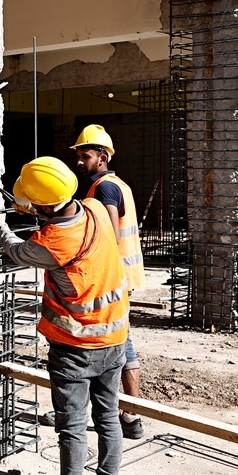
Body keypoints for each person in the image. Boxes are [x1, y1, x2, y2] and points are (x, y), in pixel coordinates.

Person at [0, 157, 129, 475]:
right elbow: (61, 216)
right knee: (109, 418)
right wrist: (33, 207)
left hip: (75, 345)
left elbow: (16, 250)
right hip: (115, 337)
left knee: (73, 426)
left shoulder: (49, 243)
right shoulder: (96, 207)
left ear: (44, 206)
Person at [71, 124, 146, 440]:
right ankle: (129, 415)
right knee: (119, 341)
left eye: (85, 156)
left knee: (118, 343)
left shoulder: (104, 189)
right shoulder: (116, 184)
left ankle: (130, 416)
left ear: (102, 157)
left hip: (112, 277)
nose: (79, 162)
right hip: (122, 276)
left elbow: (110, 234)